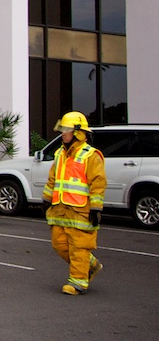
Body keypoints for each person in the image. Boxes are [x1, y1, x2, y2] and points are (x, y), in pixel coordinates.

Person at [42, 111, 107, 295]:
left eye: (67, 130)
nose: (63, 133)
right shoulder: (60, 154)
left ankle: (78, 283)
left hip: (81, 211)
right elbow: (53, 179)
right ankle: (90, 264)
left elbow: (98, 183)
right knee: (59, 243)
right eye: (62, 129)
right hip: (61, 210)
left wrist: (96, 208)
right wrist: (46, 199)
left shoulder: (90, 156)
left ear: (78, 132)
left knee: (79, 247)